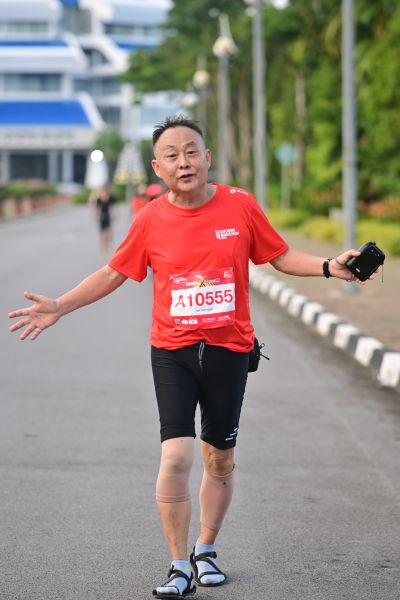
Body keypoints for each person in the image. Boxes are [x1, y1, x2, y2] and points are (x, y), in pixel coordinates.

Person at [8, 115, 374, 599]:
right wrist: (60, 305)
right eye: (172, 155)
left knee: (219, 457)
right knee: (176, 454)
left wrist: (330, 266)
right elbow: (113, 273)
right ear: (158, 168)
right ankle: (178, 565)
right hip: (173, 351)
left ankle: (206, 548)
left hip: (229, 350)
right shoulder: (150, 219)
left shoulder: (240, 205)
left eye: (191, 151)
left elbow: (280, 256)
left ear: (207, 158)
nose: (183, 161)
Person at [94, 184, 116, 254]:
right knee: (102, 233)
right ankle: (103, 248)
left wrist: (114, 215)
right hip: (102, 217)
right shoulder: (99, 199)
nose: (104, 192)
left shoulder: (110, 198)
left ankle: (108, 246)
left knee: (108, 233)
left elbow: (113, 207)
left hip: (107, 216)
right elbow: (97, 208)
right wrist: (95, 216)